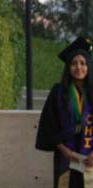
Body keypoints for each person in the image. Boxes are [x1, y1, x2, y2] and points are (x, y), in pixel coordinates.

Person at [37, 37, 93, 188]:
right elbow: (49, 124)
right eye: (74, 63)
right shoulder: (58, 92)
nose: (78, 67)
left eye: (83, 63)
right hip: (66, 156)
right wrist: (63, 149)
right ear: (68, 67)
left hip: (90, 157)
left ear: (89, 67)